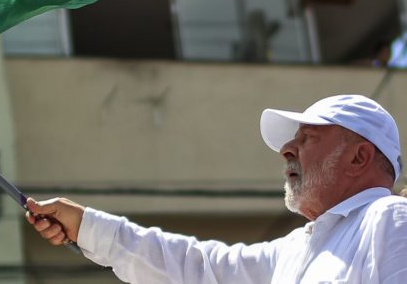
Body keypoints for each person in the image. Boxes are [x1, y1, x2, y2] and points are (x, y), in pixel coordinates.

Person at [26, 94, 407, 283]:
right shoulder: (295, 250)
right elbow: (198, 267)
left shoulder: (390, 220)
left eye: (307, 138)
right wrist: (87, 226)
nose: (287, 150)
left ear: (358, 158)